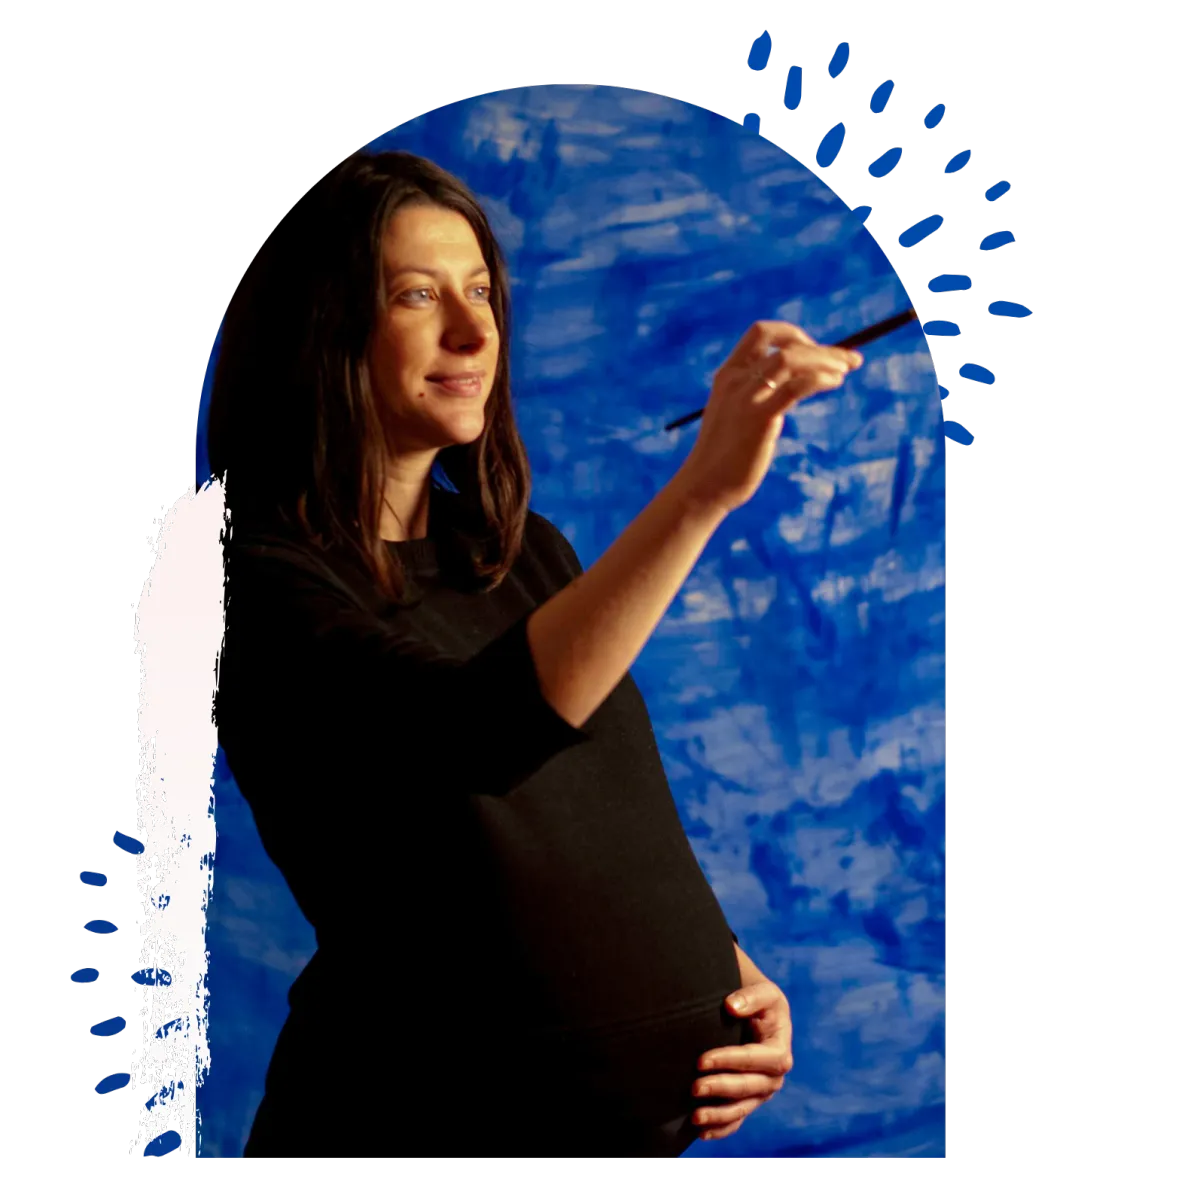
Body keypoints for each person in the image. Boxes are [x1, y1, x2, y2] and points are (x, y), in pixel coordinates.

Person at [208, 150, 860, 1161]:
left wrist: (730, 967)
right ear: (321, 325)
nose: (473, 332)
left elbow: (603, 799)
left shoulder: (519, 551)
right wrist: (701, 494)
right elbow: (478, 732)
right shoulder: (251, 582)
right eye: (416, 295)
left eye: (480, 292)